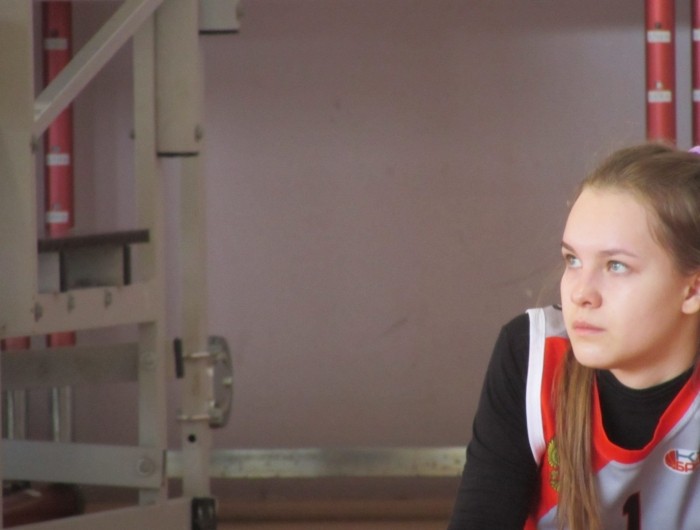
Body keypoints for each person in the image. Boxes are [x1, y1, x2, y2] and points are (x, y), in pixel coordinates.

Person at [447, 143, 700, 530]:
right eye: (573, 260)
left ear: (693, 289)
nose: (581, 293)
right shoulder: (532, 355)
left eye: (616, 265)